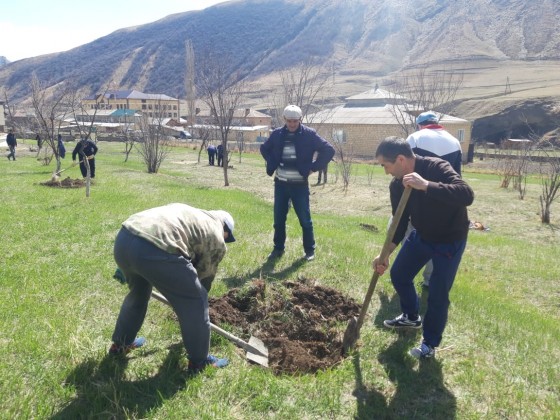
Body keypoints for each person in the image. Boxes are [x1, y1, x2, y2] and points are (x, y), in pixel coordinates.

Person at [373, 137, 474, 359]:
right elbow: (399, 223)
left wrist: (426, 185)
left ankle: (429, 344)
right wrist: (385, 254)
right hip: (421, 236)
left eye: (385, 165)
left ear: (400, 159)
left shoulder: (436, 167)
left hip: (449, 240)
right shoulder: (397, 184)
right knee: (399, 274)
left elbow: (466, 195)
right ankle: (411, 316)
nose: (385, 172)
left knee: (437, 292)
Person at [109, 203, 236, 373]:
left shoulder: (191, 214)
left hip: (125, 239)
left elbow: (148, 234)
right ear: (225, 228)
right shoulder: (217, 236)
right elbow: (203, 279)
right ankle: (199, 361)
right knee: (196, 302)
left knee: (138, 294)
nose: (226, 239)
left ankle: (121, 344)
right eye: (228, 236)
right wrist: (192, 301)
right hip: (155, 249)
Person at [260, 104, 335, 261]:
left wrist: (313, 168)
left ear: (300, 119)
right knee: (279, 220)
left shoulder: (309, 135)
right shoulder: (277, 134)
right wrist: (272, 162)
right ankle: (278, 249)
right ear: (284, 119)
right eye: (289, 121)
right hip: (280, 184)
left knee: (305, 220)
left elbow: (328, 150)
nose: (292, 124)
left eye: (295, 121)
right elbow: (264, 149)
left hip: (299, 186)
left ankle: (310, 250)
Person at [405, 110, 463, 287]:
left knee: (408, 233)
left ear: (420, 124)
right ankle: (429, 280)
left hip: (418, 198)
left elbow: (406, 169)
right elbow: (457, 176)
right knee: (434, 239)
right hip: (442, 199)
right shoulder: (455, 141)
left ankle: (405, 271)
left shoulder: (415, 138)